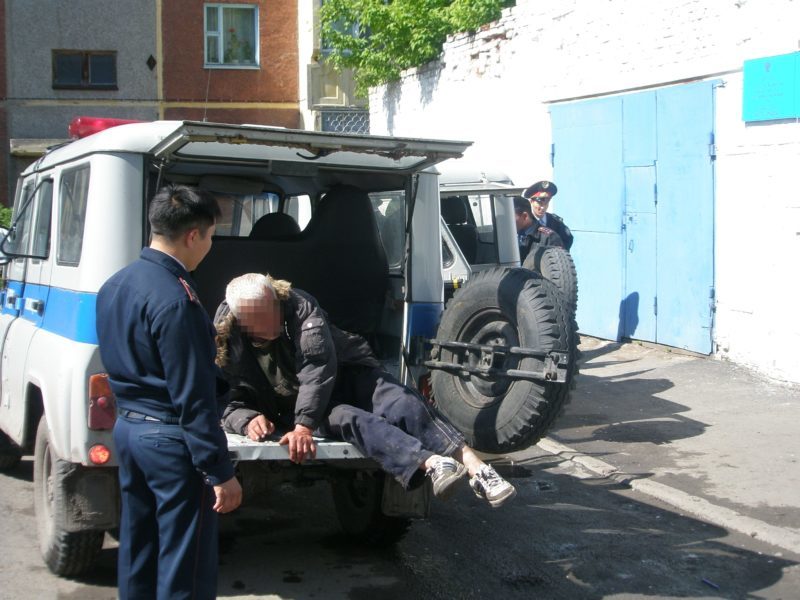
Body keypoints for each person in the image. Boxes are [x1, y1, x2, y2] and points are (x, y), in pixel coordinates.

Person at [214, 273, 516, 508]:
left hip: (343, 374)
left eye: (273, 310)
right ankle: (433, 463)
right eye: (261, 319)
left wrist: (304, 425)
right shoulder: (226, 338)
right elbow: (223, 396)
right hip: (295, 405)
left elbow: (317, 366)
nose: (273, 320)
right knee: (352, 420)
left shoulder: (300, 306)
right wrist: (245, 418)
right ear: (242, 322)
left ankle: (478, 469)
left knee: (400, 400)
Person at [96, 184, 242, 600]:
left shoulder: (116, 284)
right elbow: (193, 397)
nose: (210, 246)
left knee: (139, 548)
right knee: (185, 564)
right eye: (211, 236)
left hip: (130, 430)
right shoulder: (176, 299)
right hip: (170, 441)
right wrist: (218, 471)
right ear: (193, 235)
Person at [521, 180, 574, 250]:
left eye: (546, 203)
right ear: (531, 201)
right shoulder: (524, 221)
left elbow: (568, 239)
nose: (543, 207)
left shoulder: (555, 222)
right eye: (539, 203)